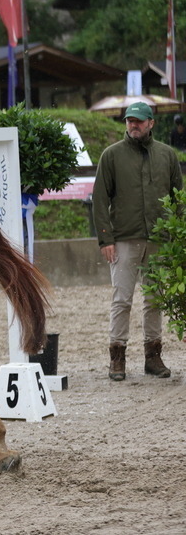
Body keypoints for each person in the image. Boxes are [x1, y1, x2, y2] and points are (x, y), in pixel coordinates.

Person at [93, 101, 183, 381]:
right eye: (130, 120)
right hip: (123, 239)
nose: (134, 125)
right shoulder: (111, 155)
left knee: (154, 299)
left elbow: (179, 199)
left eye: (139, 121)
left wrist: (179, 236)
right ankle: (117, 357)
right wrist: (105, 238)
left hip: (159, 239)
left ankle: (153, 357)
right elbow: (99, 199)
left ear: (151, 124)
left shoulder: (167, 155)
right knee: (122, 299)